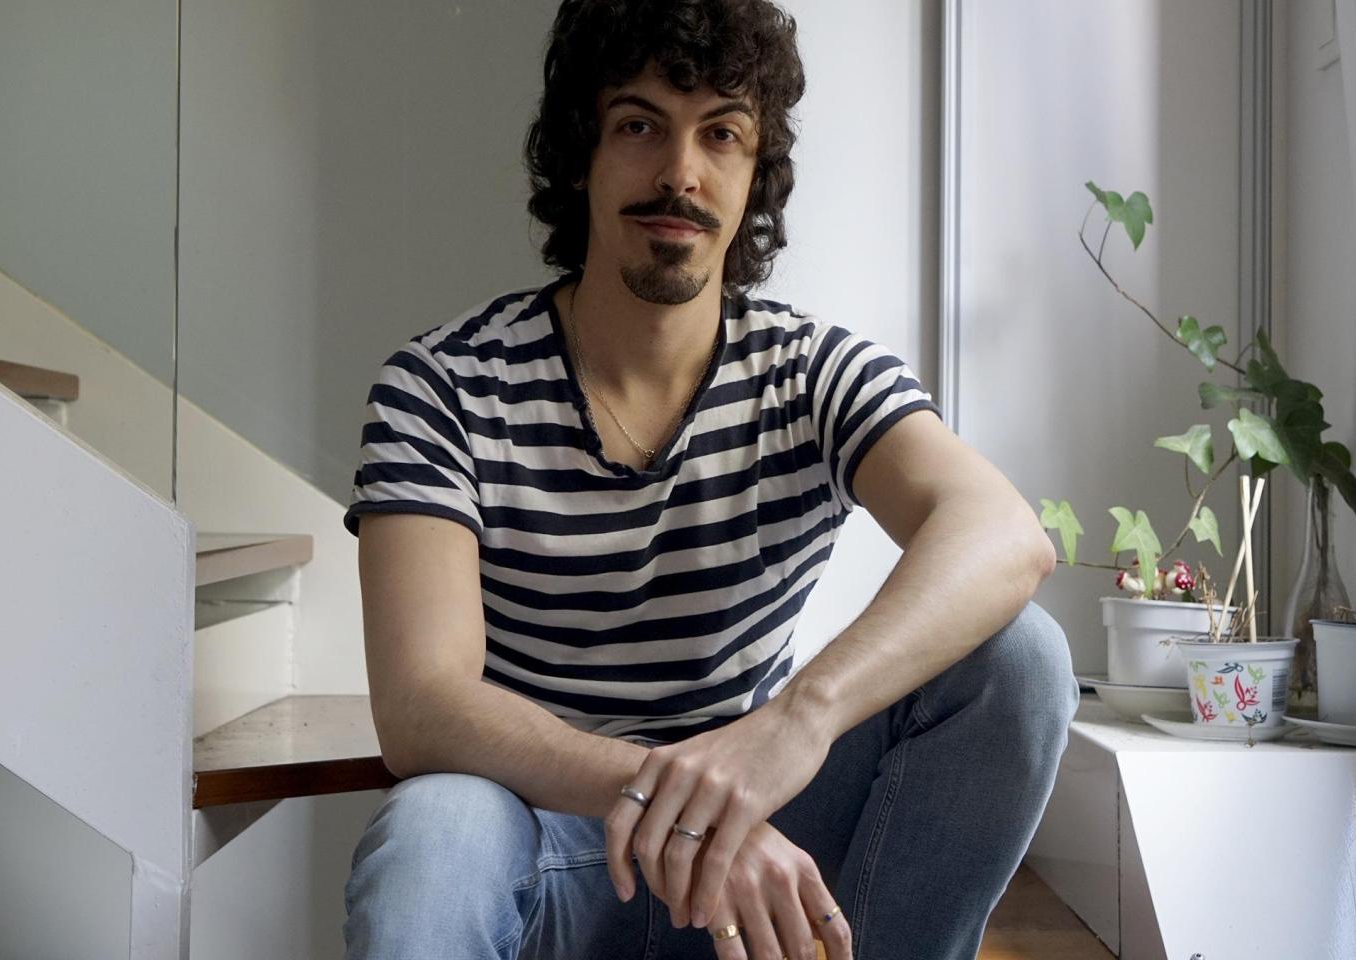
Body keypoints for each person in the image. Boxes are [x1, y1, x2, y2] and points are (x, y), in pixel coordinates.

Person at [340, 1, 1078, 957]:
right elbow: (422, 706)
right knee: (433, 830)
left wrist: (795, 726)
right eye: (639, 125)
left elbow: (1003, 532)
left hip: (764, 849)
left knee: (1018, 660)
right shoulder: (442, 384)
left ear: (754, 174)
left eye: (721, 134)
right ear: (581, 155)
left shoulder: (810, 372)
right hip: (545, 851)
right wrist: (683, 807)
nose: (680, 173)